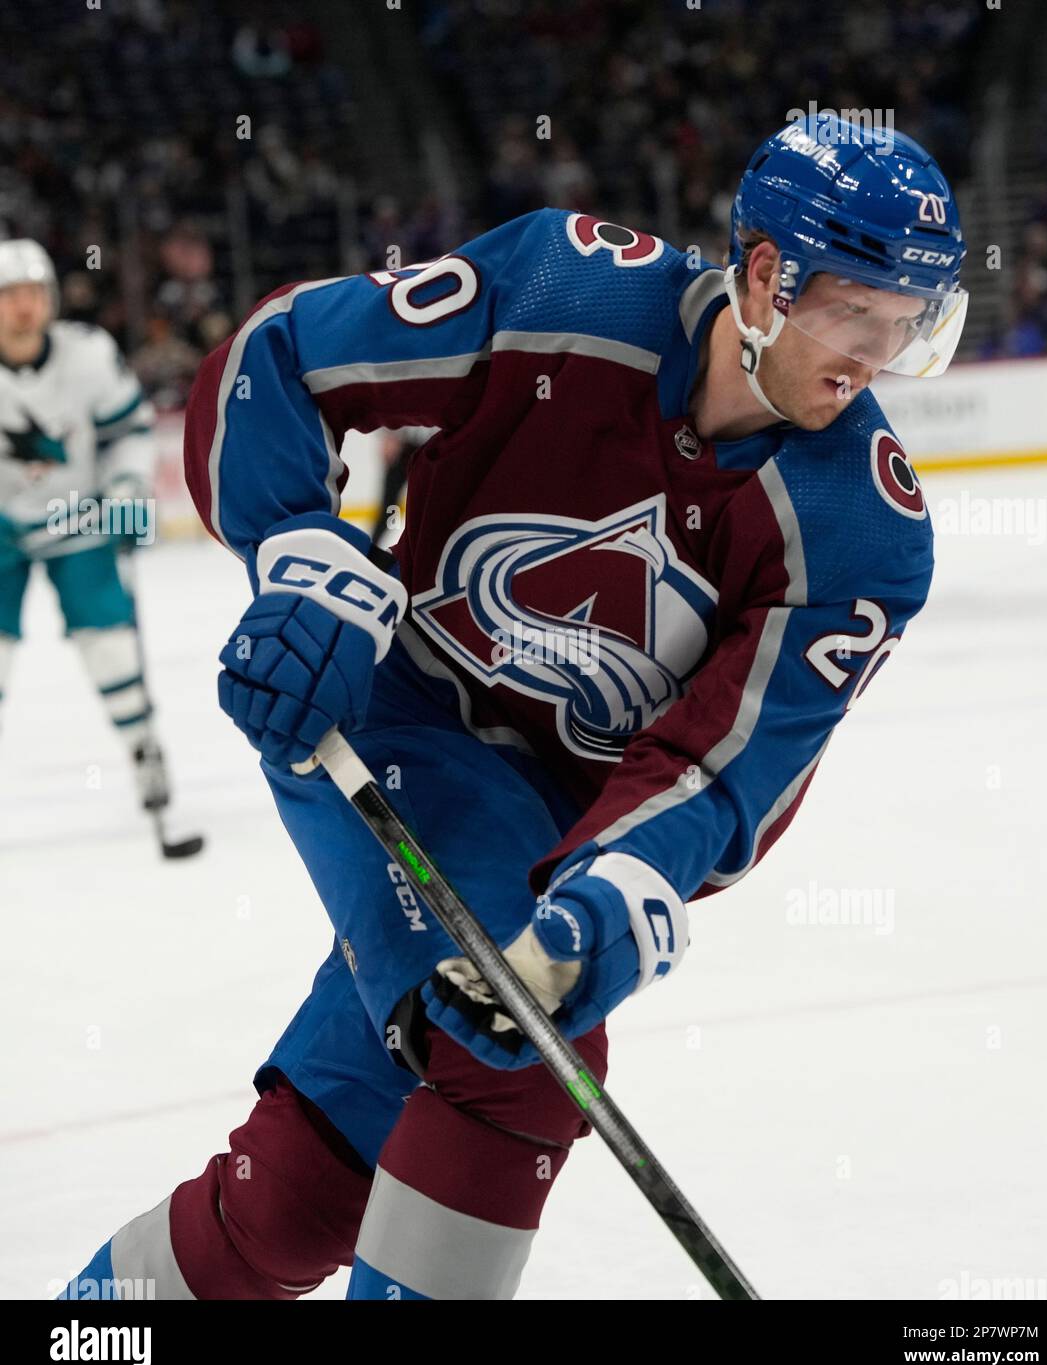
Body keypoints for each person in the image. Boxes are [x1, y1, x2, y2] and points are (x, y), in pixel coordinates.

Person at [59, 116, 967, 1301]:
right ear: (760, 273)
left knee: (298, 1200)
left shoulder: (865, 534)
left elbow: (729, 768)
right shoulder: (563, 283)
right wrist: (297, 549)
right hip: (387, 715)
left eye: (907, 324)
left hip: (554, 837)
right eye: (855, 311)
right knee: (529, 1061)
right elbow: (281, 353)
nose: (873, 357)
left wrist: (618, 887)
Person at [0, 239, 195, 848]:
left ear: (51, 299)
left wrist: (128, 485)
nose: (22, 307)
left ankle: (146, 760)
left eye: (32, 293)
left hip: (78, 520)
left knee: (110, 647)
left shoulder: (87, 355)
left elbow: (130, 430)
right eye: (8, 296)